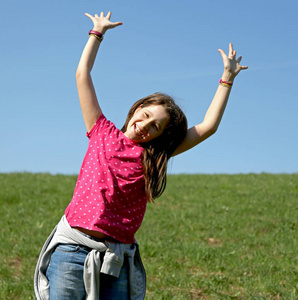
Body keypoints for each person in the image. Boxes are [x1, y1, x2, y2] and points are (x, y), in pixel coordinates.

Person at [34, 11, 248, 300]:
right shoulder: (101, 130)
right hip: (72, 250)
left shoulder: (153, 156)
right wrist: (97, 33)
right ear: (137, 108)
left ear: (161, 136)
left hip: (117, 258)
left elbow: (207, 127)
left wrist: (227, 79)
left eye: (155, 126)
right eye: (145, 115)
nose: (144, 125)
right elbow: (82, 74)